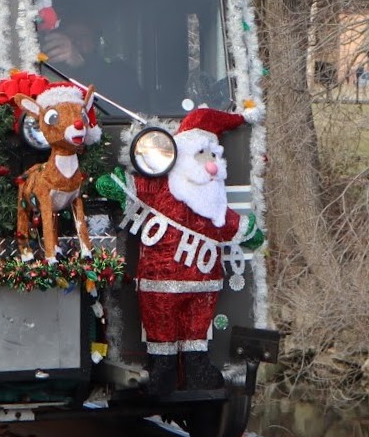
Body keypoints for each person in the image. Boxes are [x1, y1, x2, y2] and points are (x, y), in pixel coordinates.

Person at [102, 107, 263, 394]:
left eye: (213, 157)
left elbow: (230, 224)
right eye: (202, 156)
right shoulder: (162, 187)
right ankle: (162, 371)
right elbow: (128, 189)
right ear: (184, 155)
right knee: (161, 327)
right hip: (161, 283)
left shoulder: (214, 202)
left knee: (196, 333)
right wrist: (115, 185)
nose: (211, 166)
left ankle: (195, 368)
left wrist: (249, 231)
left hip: (204, 284)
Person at [40, 15, 139, 108]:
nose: (75, 42)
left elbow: (114, 110)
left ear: (95, 41)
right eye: (70, 37)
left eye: (83, 36)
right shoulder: (46, 70)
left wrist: (80, 65)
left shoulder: (119, 74)